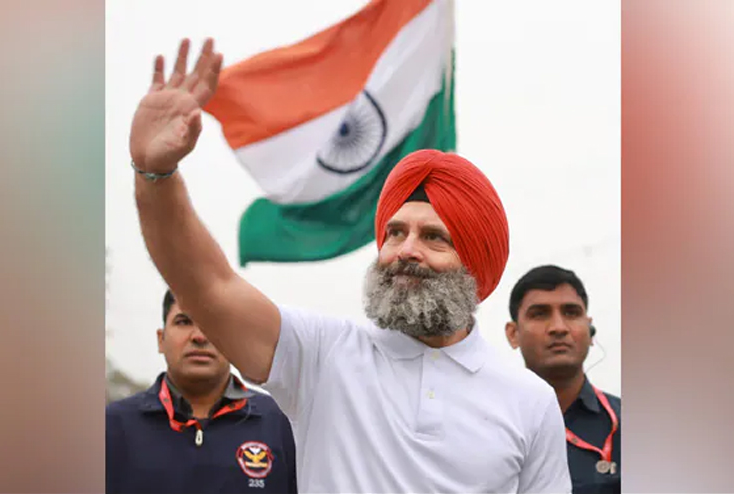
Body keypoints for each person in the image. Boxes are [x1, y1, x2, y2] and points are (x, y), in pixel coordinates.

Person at [127, 37, 571, 493]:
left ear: (475, 262)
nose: (406, 250)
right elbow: (207, 285)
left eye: (433, 237)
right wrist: (155, 176)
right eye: (395, 233)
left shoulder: (530, 401)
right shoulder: (323, 355)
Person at [105, 289, 298, 494]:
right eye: (183, 322)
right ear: (161, 339)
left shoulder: (283, 423)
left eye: (214, 323)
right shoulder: (111, 427)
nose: (199, 336)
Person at [505, 265, 621, 494]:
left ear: (590, 330)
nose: (558, 328)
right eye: (540, 314)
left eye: (571, 313)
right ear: (513, 334)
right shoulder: (487, 425)